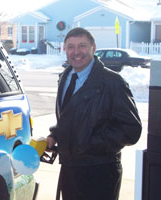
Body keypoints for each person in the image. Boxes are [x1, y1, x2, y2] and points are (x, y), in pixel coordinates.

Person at [46, 27, 142, 200]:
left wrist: (89, 143)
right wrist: (55, 135)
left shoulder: (112, 82)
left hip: (100, 173)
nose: (76, 52)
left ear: (93, 48)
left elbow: (131, 129)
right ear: (65, 49)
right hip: (70, 170)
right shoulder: (65, 78)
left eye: (82, 45)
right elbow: (69, 116)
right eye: (70, 46)